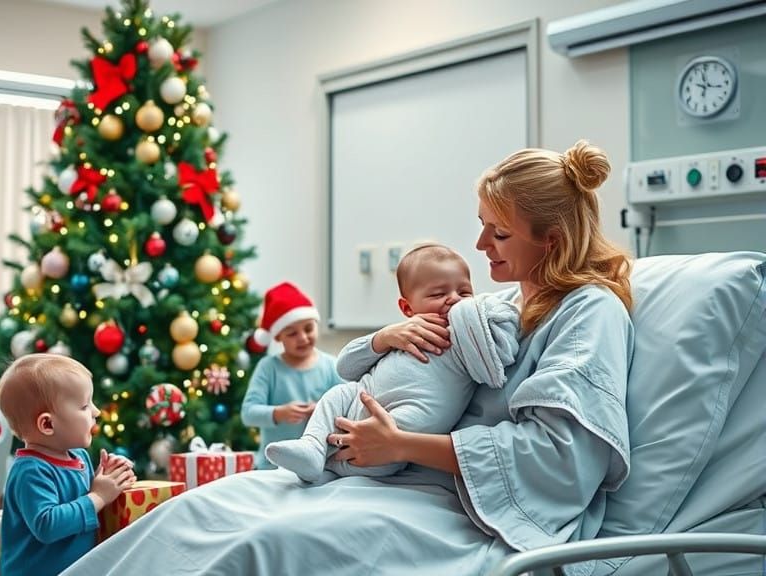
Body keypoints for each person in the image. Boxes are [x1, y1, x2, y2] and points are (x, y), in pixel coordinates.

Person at [65, 140, 635, 575]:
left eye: (500, 235)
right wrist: (390, 339)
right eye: (482, 229)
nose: (482, 246)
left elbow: (559, 459)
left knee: (266, 545)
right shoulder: (502, 301)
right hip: (398, 476)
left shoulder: (590, 312)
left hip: (473, 511)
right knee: (202, 508)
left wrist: (399, 444)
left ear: (552, 239)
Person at [266, 243, 520, 483]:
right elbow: (345, 367)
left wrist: (483, 320)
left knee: (396, 431)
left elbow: (495, 359)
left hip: (400, 430)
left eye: (464, 292)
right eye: (438, 293)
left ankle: (327, 469)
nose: (454, 299)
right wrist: (383, 337)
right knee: (338, 394)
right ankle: (312, 446)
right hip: (360, 399)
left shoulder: (466, 333)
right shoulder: (401, 333)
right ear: (407, 308)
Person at [0, 353, 136, 576]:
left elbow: (83, 495)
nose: (96, 411)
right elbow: (47, 525)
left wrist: (106, 476)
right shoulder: (30, 471)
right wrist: (98, 496)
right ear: (48, 424)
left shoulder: (79, 456)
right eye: (84, 406)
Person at [241, 281, 345, 469]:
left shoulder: (332, 366)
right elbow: (248, 413)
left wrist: (324, 411)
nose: (303, 338)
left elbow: (349, 408)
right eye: (292, 333)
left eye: (308, 329)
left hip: (322, 467)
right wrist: (278, 413)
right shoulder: (268, 368)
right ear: (278, 337)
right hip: (271, 468)